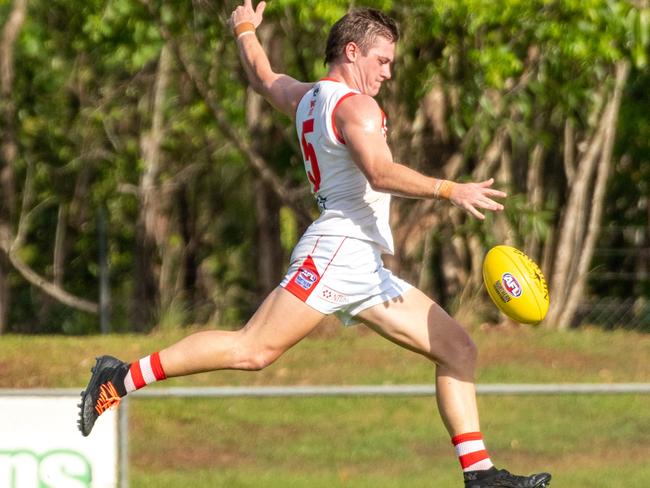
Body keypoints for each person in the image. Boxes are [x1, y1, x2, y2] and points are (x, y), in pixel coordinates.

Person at [78, 2, 551, 487]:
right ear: (352, 51)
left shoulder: (307, 98)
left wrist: (244, 28)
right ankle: (120, 378)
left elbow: (265, 77)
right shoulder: (355, 107)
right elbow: (380, 172)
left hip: (361, 261)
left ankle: (481, 477)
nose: (388, 72)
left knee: (458, 348)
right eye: (382, 60)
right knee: (252, 350)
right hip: (337, 251)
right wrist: (452, 189)